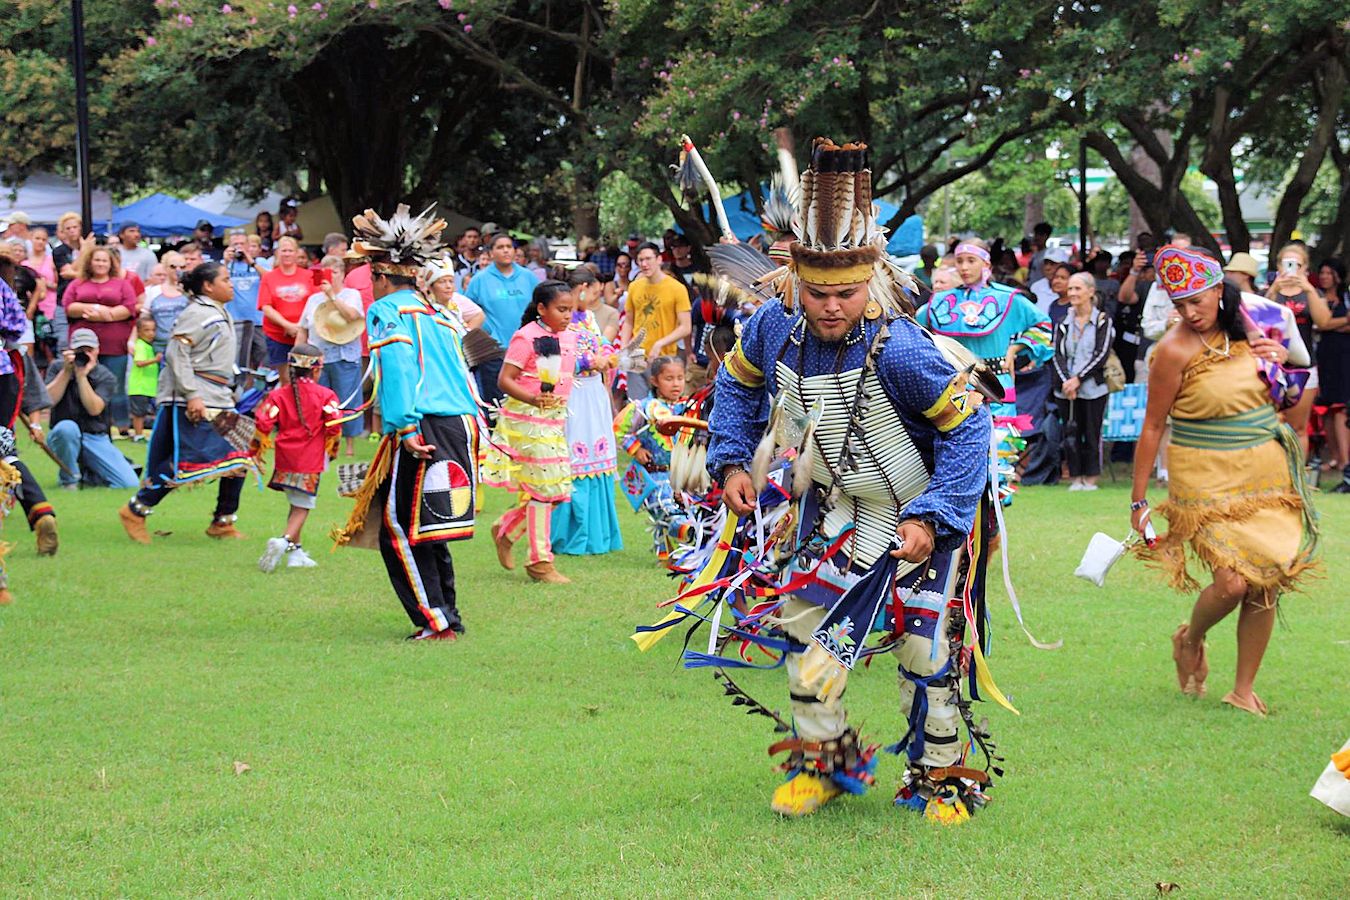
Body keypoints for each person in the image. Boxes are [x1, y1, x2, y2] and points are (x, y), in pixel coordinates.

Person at [650, 139, 1002, 821]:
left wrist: (933, 518)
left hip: (919, 517)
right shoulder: (773, 329)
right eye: (819, 293)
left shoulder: (901, 350)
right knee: (803, 630)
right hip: (839, 510)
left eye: (847, 293)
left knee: (926, 650)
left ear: (871, 283)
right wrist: (728, 459)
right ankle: (828, 762)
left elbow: (969, 430)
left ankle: (940, 778)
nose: (833, 305)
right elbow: (736, 386)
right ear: (793, 283)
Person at [1130, 245, 1316, 718]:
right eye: (1179, 304)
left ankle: (1242, 688)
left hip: (1266, 471)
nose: (1190, 313)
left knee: (1267, 578)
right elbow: (1152, 425)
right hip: (1204, 477)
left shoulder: (1256, 330)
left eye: (1197, 300)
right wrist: (1138, 500)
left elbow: (1296, 402)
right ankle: (1190, 638)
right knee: (1232, 583)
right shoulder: (1171, 350)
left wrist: (1277, 362)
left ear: (1219, 290)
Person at [334, 203, 479, 642]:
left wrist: (406, 427)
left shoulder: (389, 312)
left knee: (399, 527)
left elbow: (397, 371)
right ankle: (448, 616)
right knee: (431, 526)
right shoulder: (439, 312)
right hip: (460, 424)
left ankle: (435, 623)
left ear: (379, 276)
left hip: (424, 425)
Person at [117, 262, 256, 543]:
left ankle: (223, 521)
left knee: (240, 454)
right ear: (208, 286)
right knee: (187, 462)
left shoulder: (216, 311)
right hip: (192, 397)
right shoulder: (197, 313)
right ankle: (136, 510)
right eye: (226, 279)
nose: (231, 284)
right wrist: (192, 395)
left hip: (217, 396)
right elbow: (177, 353)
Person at [915, 238, 1054, 492]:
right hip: (953, 388)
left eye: (971, 261)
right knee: (955, 454)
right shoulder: (940, 303)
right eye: (959, 261)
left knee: (997, 459)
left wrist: (1017, 348)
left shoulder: (1009, 299)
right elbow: (914, 332)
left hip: (997, 385)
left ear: (986, 262)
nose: (965, 267)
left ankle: (993, 528)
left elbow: (1043, 326)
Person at [480, 281, 579, 584]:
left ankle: (507, 530)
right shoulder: (526, 337)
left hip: (555, 418)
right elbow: (505, 379)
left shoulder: (569, 337)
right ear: (541, 308)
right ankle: (539, 561)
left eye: (570, 310)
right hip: (527, 420)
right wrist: (534, 399)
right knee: (545, 489)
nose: (567, 316)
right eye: (561, 309)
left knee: (556, 489)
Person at [550, 269, 623, 557]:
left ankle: (599, 534)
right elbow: (558, 358)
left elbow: (601, 345)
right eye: (594, 291)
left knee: (598, 454)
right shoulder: (561, 320)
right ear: (581, 288)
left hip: (594, 393)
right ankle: (571, 532)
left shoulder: (589, 319)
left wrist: (608, 355)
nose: (596, 297)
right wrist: (590, 361)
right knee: (575, 454)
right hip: (574, 393)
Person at [254, 344, 340, 572]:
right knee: (303, 507)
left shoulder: (278, 395)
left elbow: (263, 421)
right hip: (310, 459)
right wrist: (332, 450)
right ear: (316, 370)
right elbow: (334, 424)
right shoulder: (325, 395)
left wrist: (257, 448)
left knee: (296, 503)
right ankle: (283, 541)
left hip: (285, 458)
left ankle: (296, 553)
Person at [613, 356, 699, 561]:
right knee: (665, 510)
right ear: (654, 381)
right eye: (669, 378)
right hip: (655, 475)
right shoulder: (643, 407)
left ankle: (669, 556)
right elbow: (619, 429)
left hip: (682, 475)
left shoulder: (689, 407)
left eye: (680, 378)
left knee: (689, 510)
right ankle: (686, 539)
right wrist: (636, 449)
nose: (676, 383)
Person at [0, 252, 57, 555]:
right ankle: (40, 509)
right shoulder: (4, 290)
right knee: (4, 451)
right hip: (5, 374)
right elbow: (16, 330)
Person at [44, 329, 139, 489]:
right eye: (80, 351)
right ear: (71, 351)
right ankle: (69, 480)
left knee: (128, 483)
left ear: (97, 350)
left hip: (94, 436)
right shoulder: (58, 368)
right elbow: (48, 401)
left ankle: (91, 473)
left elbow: (94, 409)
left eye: (89, 350)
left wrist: (82, 377)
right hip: (63, 434)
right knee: (67, 429)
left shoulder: (105, 375)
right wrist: (66, 372)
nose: (85, 355)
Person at [63, 243, 137, 432]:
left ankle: (121, 425)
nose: (100, 264)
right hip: (83, 344)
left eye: (104, 260)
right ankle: (85, 422)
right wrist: (96, 309)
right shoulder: (78, 283)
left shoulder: (122, 284)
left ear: (111, 263)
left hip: (114, 344)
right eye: (97, 259)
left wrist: (108, 314)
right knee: (83, 380)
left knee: (115, 383)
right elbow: (68, 306)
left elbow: (129, 308)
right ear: (90, 262)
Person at [295, 255, 364, 457]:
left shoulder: (351, 295)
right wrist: (297, 354)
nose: (330, 276)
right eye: (325, 272)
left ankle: (349, 444)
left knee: (347, 399)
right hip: (318, 356)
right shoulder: (313, 299)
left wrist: (332, 296)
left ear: (342, 274)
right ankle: (319, 440)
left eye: (333, 272)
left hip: (345, 355)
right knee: (318, 401)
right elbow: (303, 329)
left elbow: (352, 316)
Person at [1053, 272, 1114, 491]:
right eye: (1070, 289)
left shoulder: (1102, 320)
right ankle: (1075, 476)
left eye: (1077, 289)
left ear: (1090, 292)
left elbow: (1101, 354)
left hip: (1093, 387)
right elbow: (1057, 354)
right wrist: (1067, 381)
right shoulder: (1063, 322)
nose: (1073, 293)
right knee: (1070, 432)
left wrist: (1078, 379)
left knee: (1091, 431)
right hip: (1066, 389)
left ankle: (1091, 477)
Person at [463, 232, 539, 406]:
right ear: (490, 253)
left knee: (526, 402)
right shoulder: (480, 280)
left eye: (509, 247)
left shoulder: (528, 277)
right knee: (497, 404)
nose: (505, 251)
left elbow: (542, 306)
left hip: (528, 349)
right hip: (494, 352)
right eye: (500, 247)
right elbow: (466, 311)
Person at [1265, 243, 1320, 458]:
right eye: (1286, 263)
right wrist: (1274, 289)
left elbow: (1324, 321)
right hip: (1273, 364)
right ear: (1278, 266)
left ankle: (1299, 480)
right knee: (1273, 423)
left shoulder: (1311, 293)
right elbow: (1260, 320)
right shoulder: (1270, 292)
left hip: (1303, 365)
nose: (1291, 268)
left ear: (1305, 267)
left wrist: (1309, 289)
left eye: (1297, 264)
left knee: (1298, 426)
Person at [619, 241, 691, 400]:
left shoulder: (677, 288)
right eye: (640, 260)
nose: (644, 264)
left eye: (648, 259)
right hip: (637, 355)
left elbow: (686, 327)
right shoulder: (634, 287)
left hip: (665, 358)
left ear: (659, 259)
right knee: (637, 408)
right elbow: (629, 321)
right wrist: (624, 346)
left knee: (663, 409)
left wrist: (660, 343)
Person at [1310, 258, 1350, 489]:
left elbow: (1324, 324)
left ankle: (1345, 461)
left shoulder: (1345, 296)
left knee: (1341, 407)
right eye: (1322, 272)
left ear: (1337, 275)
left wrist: (1328, 324)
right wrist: (1342, 322)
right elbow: (1320, 325)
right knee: (1325, 406)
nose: (1324, 276)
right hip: (1324, 353)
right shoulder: (1315, 297)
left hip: (1344, 354)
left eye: (1329, 273)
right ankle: (1335, 456)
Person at [257, 236, 311, 384]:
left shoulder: (308, 275)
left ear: (296, 253)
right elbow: (266, 307)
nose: (287, 254)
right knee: (286, 379)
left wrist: (301, 327)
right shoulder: (269, 277)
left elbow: (315, 304)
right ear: (277, 253)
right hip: (278, 335)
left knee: (305, 378)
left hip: (305, 334)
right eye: (283, 250)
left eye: (290, 250)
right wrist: (287, 325)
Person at [146, 251, 189, 357]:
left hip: (185, 345)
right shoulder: (154, 291)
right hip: (159, 346)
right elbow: (144, 318)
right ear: (165, 268)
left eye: (182, 267)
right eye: (173, 267)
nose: (178, 270)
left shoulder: (191, 291)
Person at [127, 317, 160, 442]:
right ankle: (138, 434)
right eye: (147, 330)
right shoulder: (140, 345)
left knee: (147, 411)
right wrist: (155, 360)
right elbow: (139, 362)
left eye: (153, 330)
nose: (151, 333)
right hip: (139, 386)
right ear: (139, 332)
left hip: (149, 387)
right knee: (138, 413)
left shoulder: (150, 346)